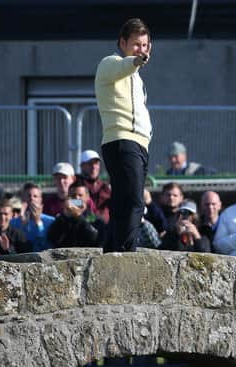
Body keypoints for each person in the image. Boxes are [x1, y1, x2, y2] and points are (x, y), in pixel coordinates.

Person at [95, 17, 152, 252]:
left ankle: (111, 251)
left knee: (122, 201)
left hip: (137, 143)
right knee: (133, 202)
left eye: (145, 45)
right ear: (122, 42)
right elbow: (123, 66)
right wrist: (137, 60)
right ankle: (127, 254)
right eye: (136, 44)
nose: (141, 50)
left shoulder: (136, 78)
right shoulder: (110, 63)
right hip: (123, 140)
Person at [47, 182, 106, 248]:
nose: (77, 198)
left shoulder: (95, 219)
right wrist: (64, 216)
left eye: (80, 195)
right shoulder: (62, 218)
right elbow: (52, 239)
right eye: (73, 195)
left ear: (87, 197)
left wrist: (79, 217)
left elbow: (95, 239)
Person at [10, 183, 55, 252]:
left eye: (35, 196)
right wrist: (22, 226)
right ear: (23, 199)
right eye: (28, 196)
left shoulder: (51, 221)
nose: (31, 199)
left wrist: (38, 223)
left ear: (41, 200)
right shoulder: (13, 222)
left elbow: (48, 247)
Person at [75, 149, 111, 222]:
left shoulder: (105, 187)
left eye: (96, 163)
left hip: (105, 228)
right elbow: (71, 202)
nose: (94, 167)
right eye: (90, 163)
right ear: (82, 166)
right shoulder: (75, 185)